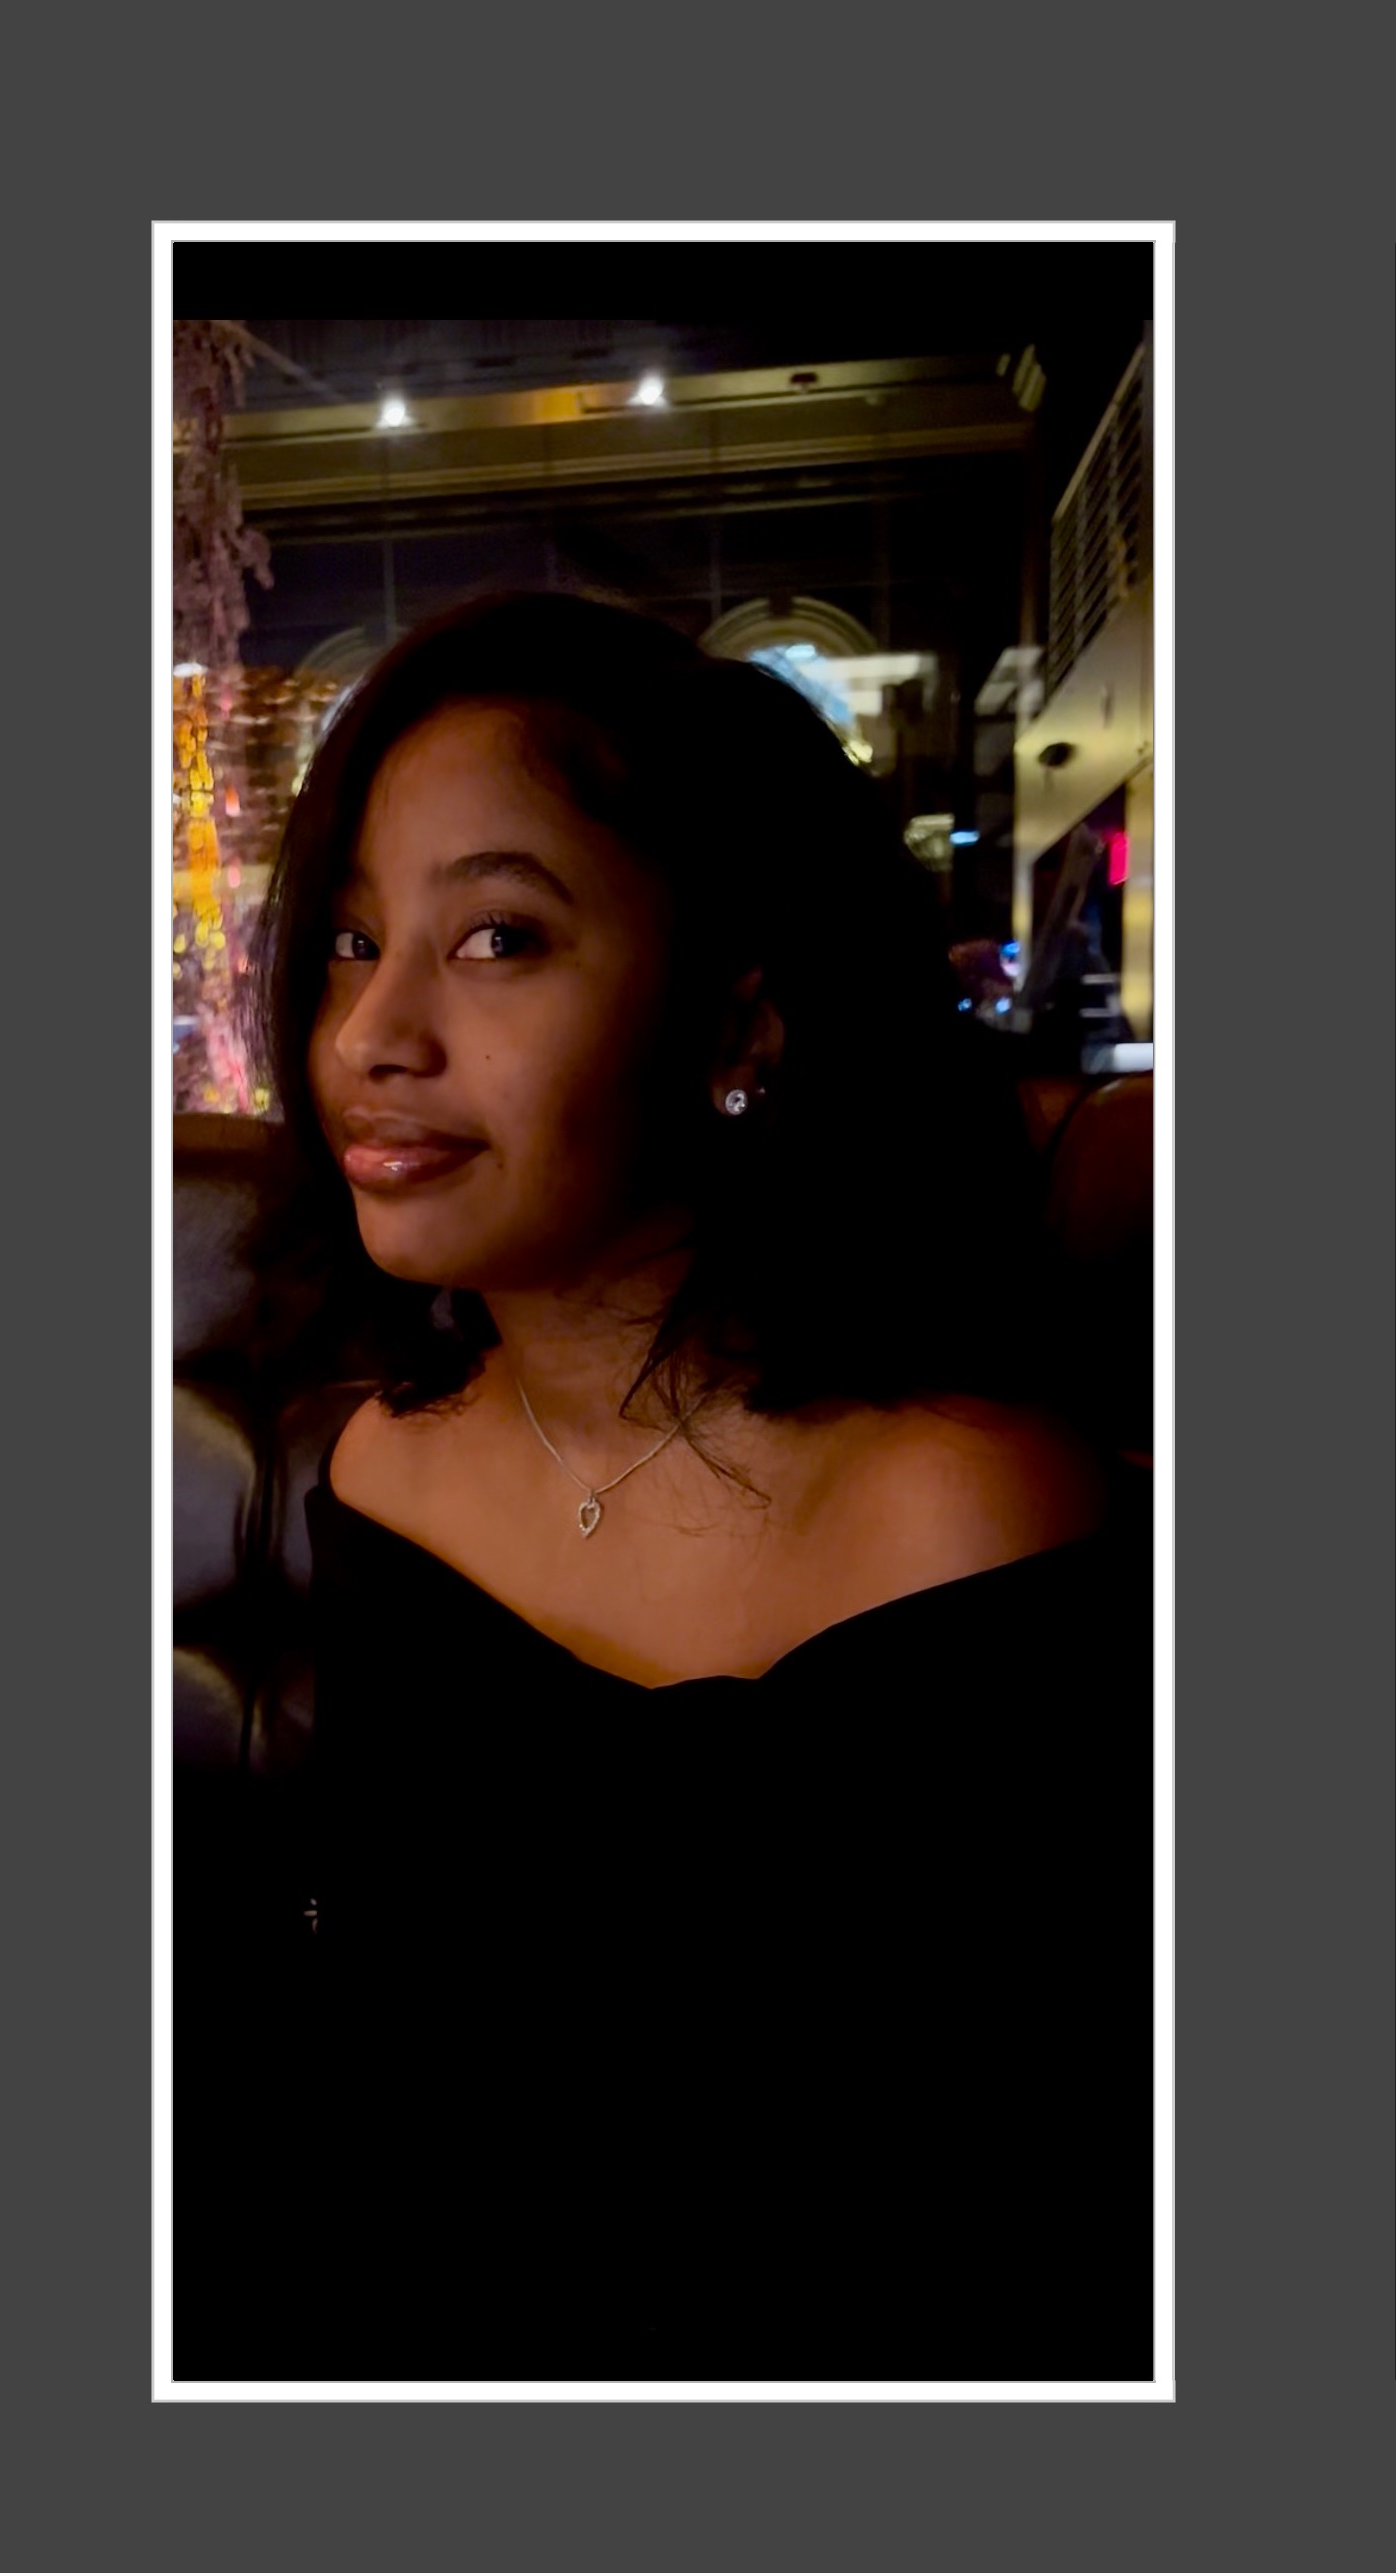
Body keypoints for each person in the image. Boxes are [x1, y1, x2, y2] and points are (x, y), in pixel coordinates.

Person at [176, 592, 1150, 2383]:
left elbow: (1017, 2212)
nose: (373, 1033)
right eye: (352, 940)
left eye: (498, 939)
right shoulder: (383, 1467)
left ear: (739, 1025)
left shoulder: (962, 1515)